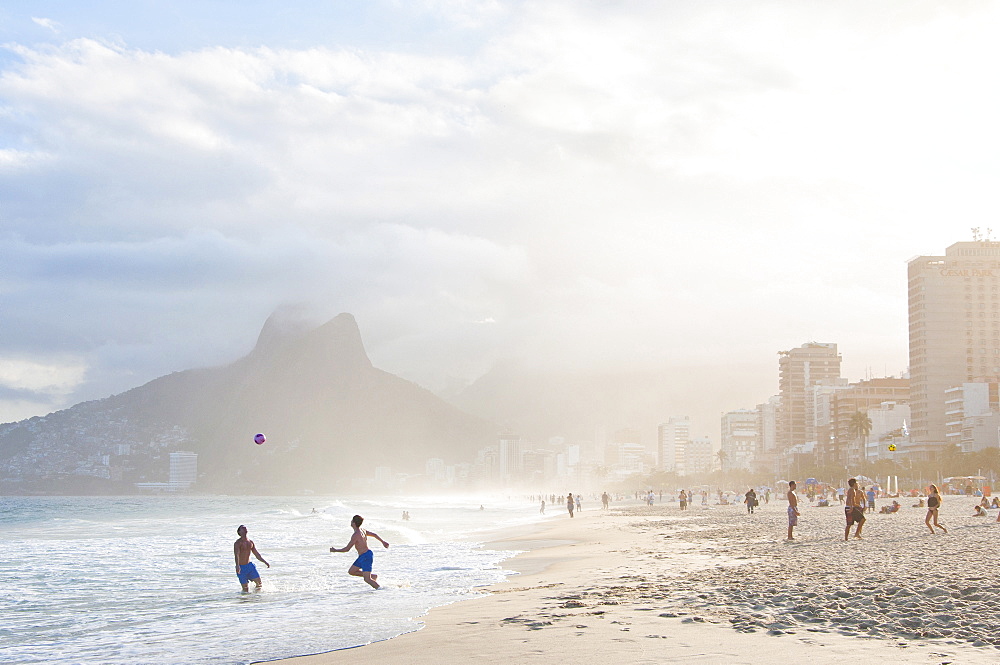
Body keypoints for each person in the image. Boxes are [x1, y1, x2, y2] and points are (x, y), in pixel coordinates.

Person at [330, 515, 389, 589]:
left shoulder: (356, 535)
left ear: (354, 523)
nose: (350, 522)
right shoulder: (362, 530)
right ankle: (373, 576)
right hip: (363, 556)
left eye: (352, 520)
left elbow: (347, 549)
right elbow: (374, 535)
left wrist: (335, 550)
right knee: (352, 571)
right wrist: (383, 542)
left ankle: (382, 590)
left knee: (367, 579)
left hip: (366, 556)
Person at [234, 524, 269, 592]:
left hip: (249, 566)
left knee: (259, 583)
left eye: (245, 528)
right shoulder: (238, 543)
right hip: (241, 568)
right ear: (239, 532)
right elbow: (236, 555)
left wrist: (265, 562)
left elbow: (256, 554)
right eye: (243, 529)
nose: (245, 529)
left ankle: (256, 597)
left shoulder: (250, 542)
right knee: (245, 588)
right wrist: (237, 566)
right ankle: (245, 600)